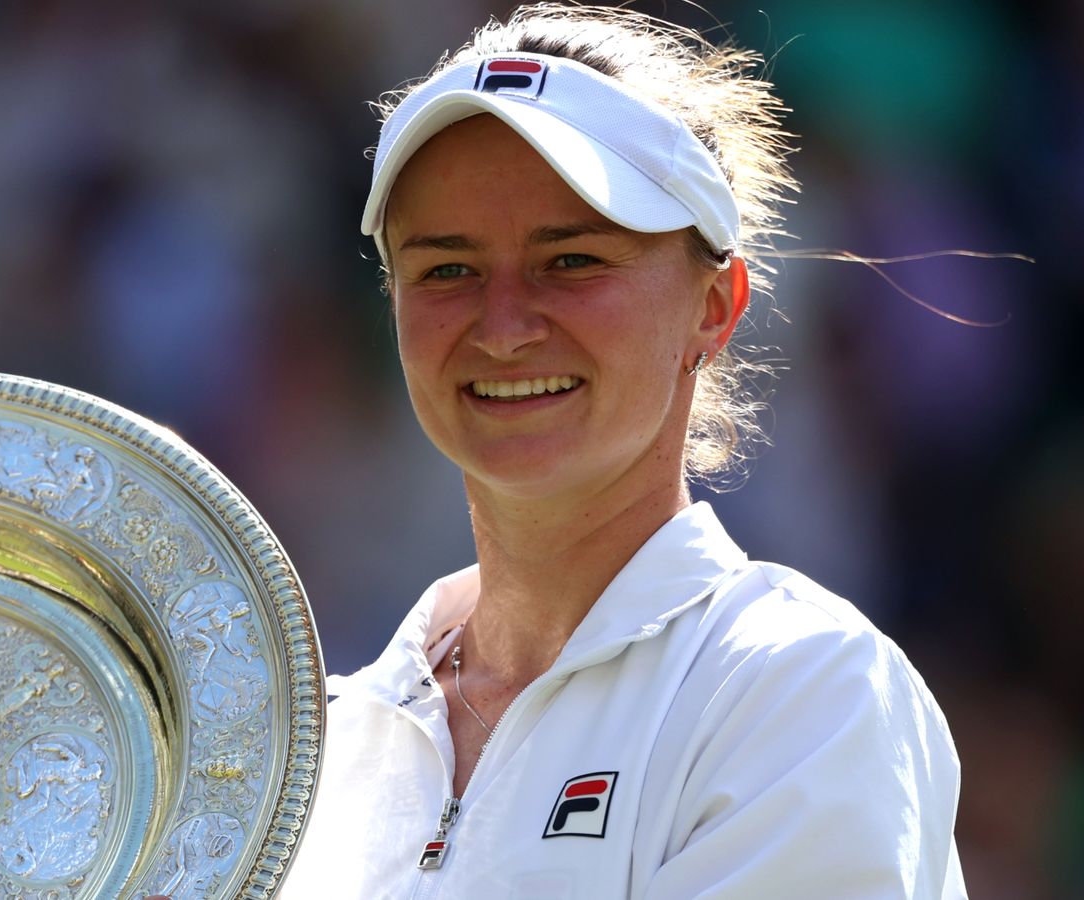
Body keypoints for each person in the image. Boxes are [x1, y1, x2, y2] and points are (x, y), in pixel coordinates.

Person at [274, 4, 964, 899]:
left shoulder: (803, 691)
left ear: (714, 307)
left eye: (573, 262)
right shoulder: (329, 745)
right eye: (448, 269)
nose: (504, 327)